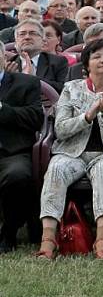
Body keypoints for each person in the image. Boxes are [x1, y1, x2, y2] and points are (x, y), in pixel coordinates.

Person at [36, 39, 103, 259]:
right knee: (56, 169)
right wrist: (88, 116)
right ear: (87, 63)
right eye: (97, 56)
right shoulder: (72, 89)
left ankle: (102, 241)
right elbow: (61, 130)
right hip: (72, 152)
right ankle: (48, 241)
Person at [0, 49, 43, 253]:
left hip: (12, 151)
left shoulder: (25, 83)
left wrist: (2, 109)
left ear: (3, 57)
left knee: (17, 176)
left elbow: (35, 118)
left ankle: (8, 233)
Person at [5, 19, 69, 93]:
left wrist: (34, 78)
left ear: (42, 41)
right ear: (16, 41)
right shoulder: (8, 64)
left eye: (33, 33)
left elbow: (63, 89)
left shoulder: (58, 62)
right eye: (22, 34)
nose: (27, 37)